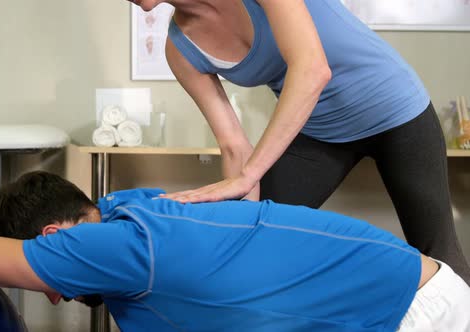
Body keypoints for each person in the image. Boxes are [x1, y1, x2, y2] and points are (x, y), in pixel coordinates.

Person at [128, 0, 470, 284]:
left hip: (396, 112)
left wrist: (248, 176)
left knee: (438, 254)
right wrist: (237, 234)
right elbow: (234, 145)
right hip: (318, 132)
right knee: (256, 241)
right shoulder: (180, 50)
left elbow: (312, 70)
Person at [0, 171, 469, 331]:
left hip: (413, 317)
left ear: (58, 237)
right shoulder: (118, 210)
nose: (52, 296)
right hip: (417, 289)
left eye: (43, 275)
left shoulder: (107, 247)